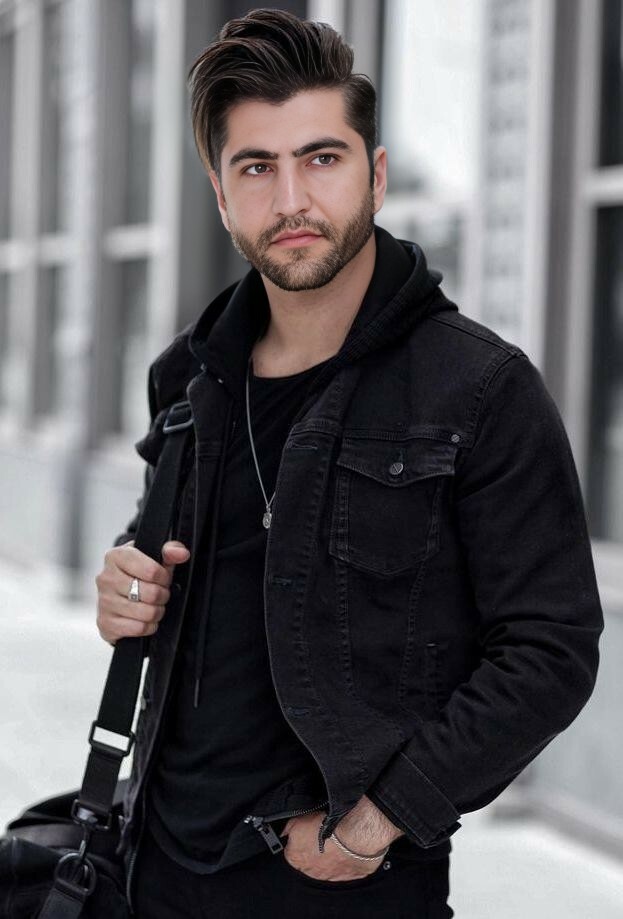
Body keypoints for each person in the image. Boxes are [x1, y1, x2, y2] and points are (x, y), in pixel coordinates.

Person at [94, 9, 604, 918]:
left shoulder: (477, 389)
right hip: (155, 871)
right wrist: (127, 591)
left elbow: (549, 650)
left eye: (321, 158)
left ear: (374, 173)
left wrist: (373, 826)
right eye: (257, 167)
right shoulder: (188, 377)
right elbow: (160, 570)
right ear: (220, 193)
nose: (291, 198)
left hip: (340, 890)